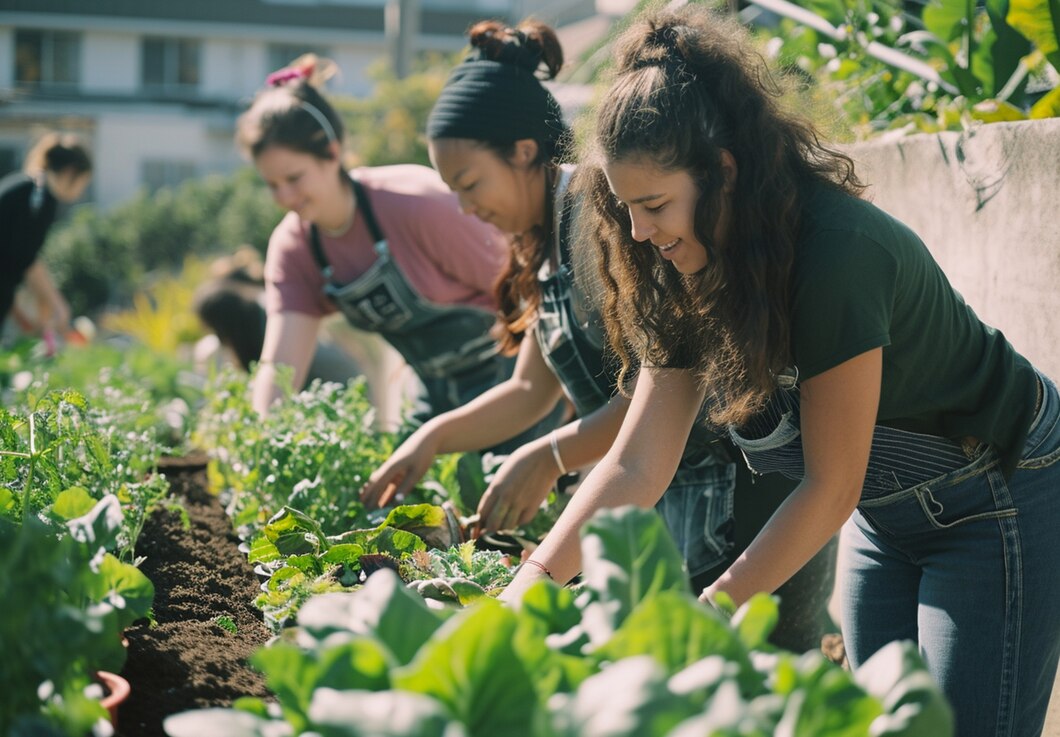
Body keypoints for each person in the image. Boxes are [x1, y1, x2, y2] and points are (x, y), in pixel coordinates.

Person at [501, 6, 1060, 737]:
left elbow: (829, 484)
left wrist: (708, 618)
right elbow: (637, 464)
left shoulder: (838, 255)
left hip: (995, 497)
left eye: (655, 205)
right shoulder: (677, 265)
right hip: (884, 516)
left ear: (724, 172)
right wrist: (530, 586)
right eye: (625, 208)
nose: (638, 232)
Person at [359, 19, 835, 651]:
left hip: (733, 507)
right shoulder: (542, 244)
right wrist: (434, 437)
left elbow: (649, 410)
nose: (466, 210)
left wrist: (549, 456)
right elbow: (532, 390)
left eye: (470, 185)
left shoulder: (600, 223)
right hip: (657, 504)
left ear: (524, 151)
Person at [236, 55, 561, 449]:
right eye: (272, 185)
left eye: (294, 178)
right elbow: (281, 365)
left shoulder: (414, 204)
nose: (285, 196)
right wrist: (263, 442)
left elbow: (534, 296)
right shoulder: (295, 249)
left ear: (332, 153)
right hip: (434, 389)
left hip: (513, 380)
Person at [0, 132, 92, 338]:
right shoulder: (40, 197)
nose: (80, 192)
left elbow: (13, 256)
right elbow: (27, 260)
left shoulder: (26, 187)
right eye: (83, 183)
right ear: (71, 172)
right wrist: (59, 306)